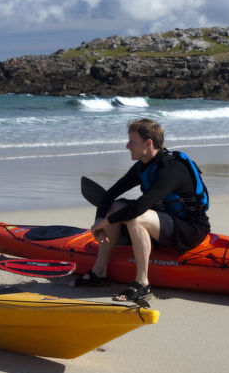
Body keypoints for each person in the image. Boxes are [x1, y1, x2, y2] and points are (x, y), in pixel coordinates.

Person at [73, 118, 210, 304]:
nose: (127, 146)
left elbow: (140, 207)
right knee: (116, 206)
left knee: (136, 218)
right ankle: (99, 272)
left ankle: (142, 283)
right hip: (164, 222)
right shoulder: (143, 166)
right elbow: (110, 194)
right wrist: (99, 220)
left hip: (190, 229)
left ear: (149, 143)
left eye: (132, 142)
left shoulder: (172, 168)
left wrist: (106, 223)